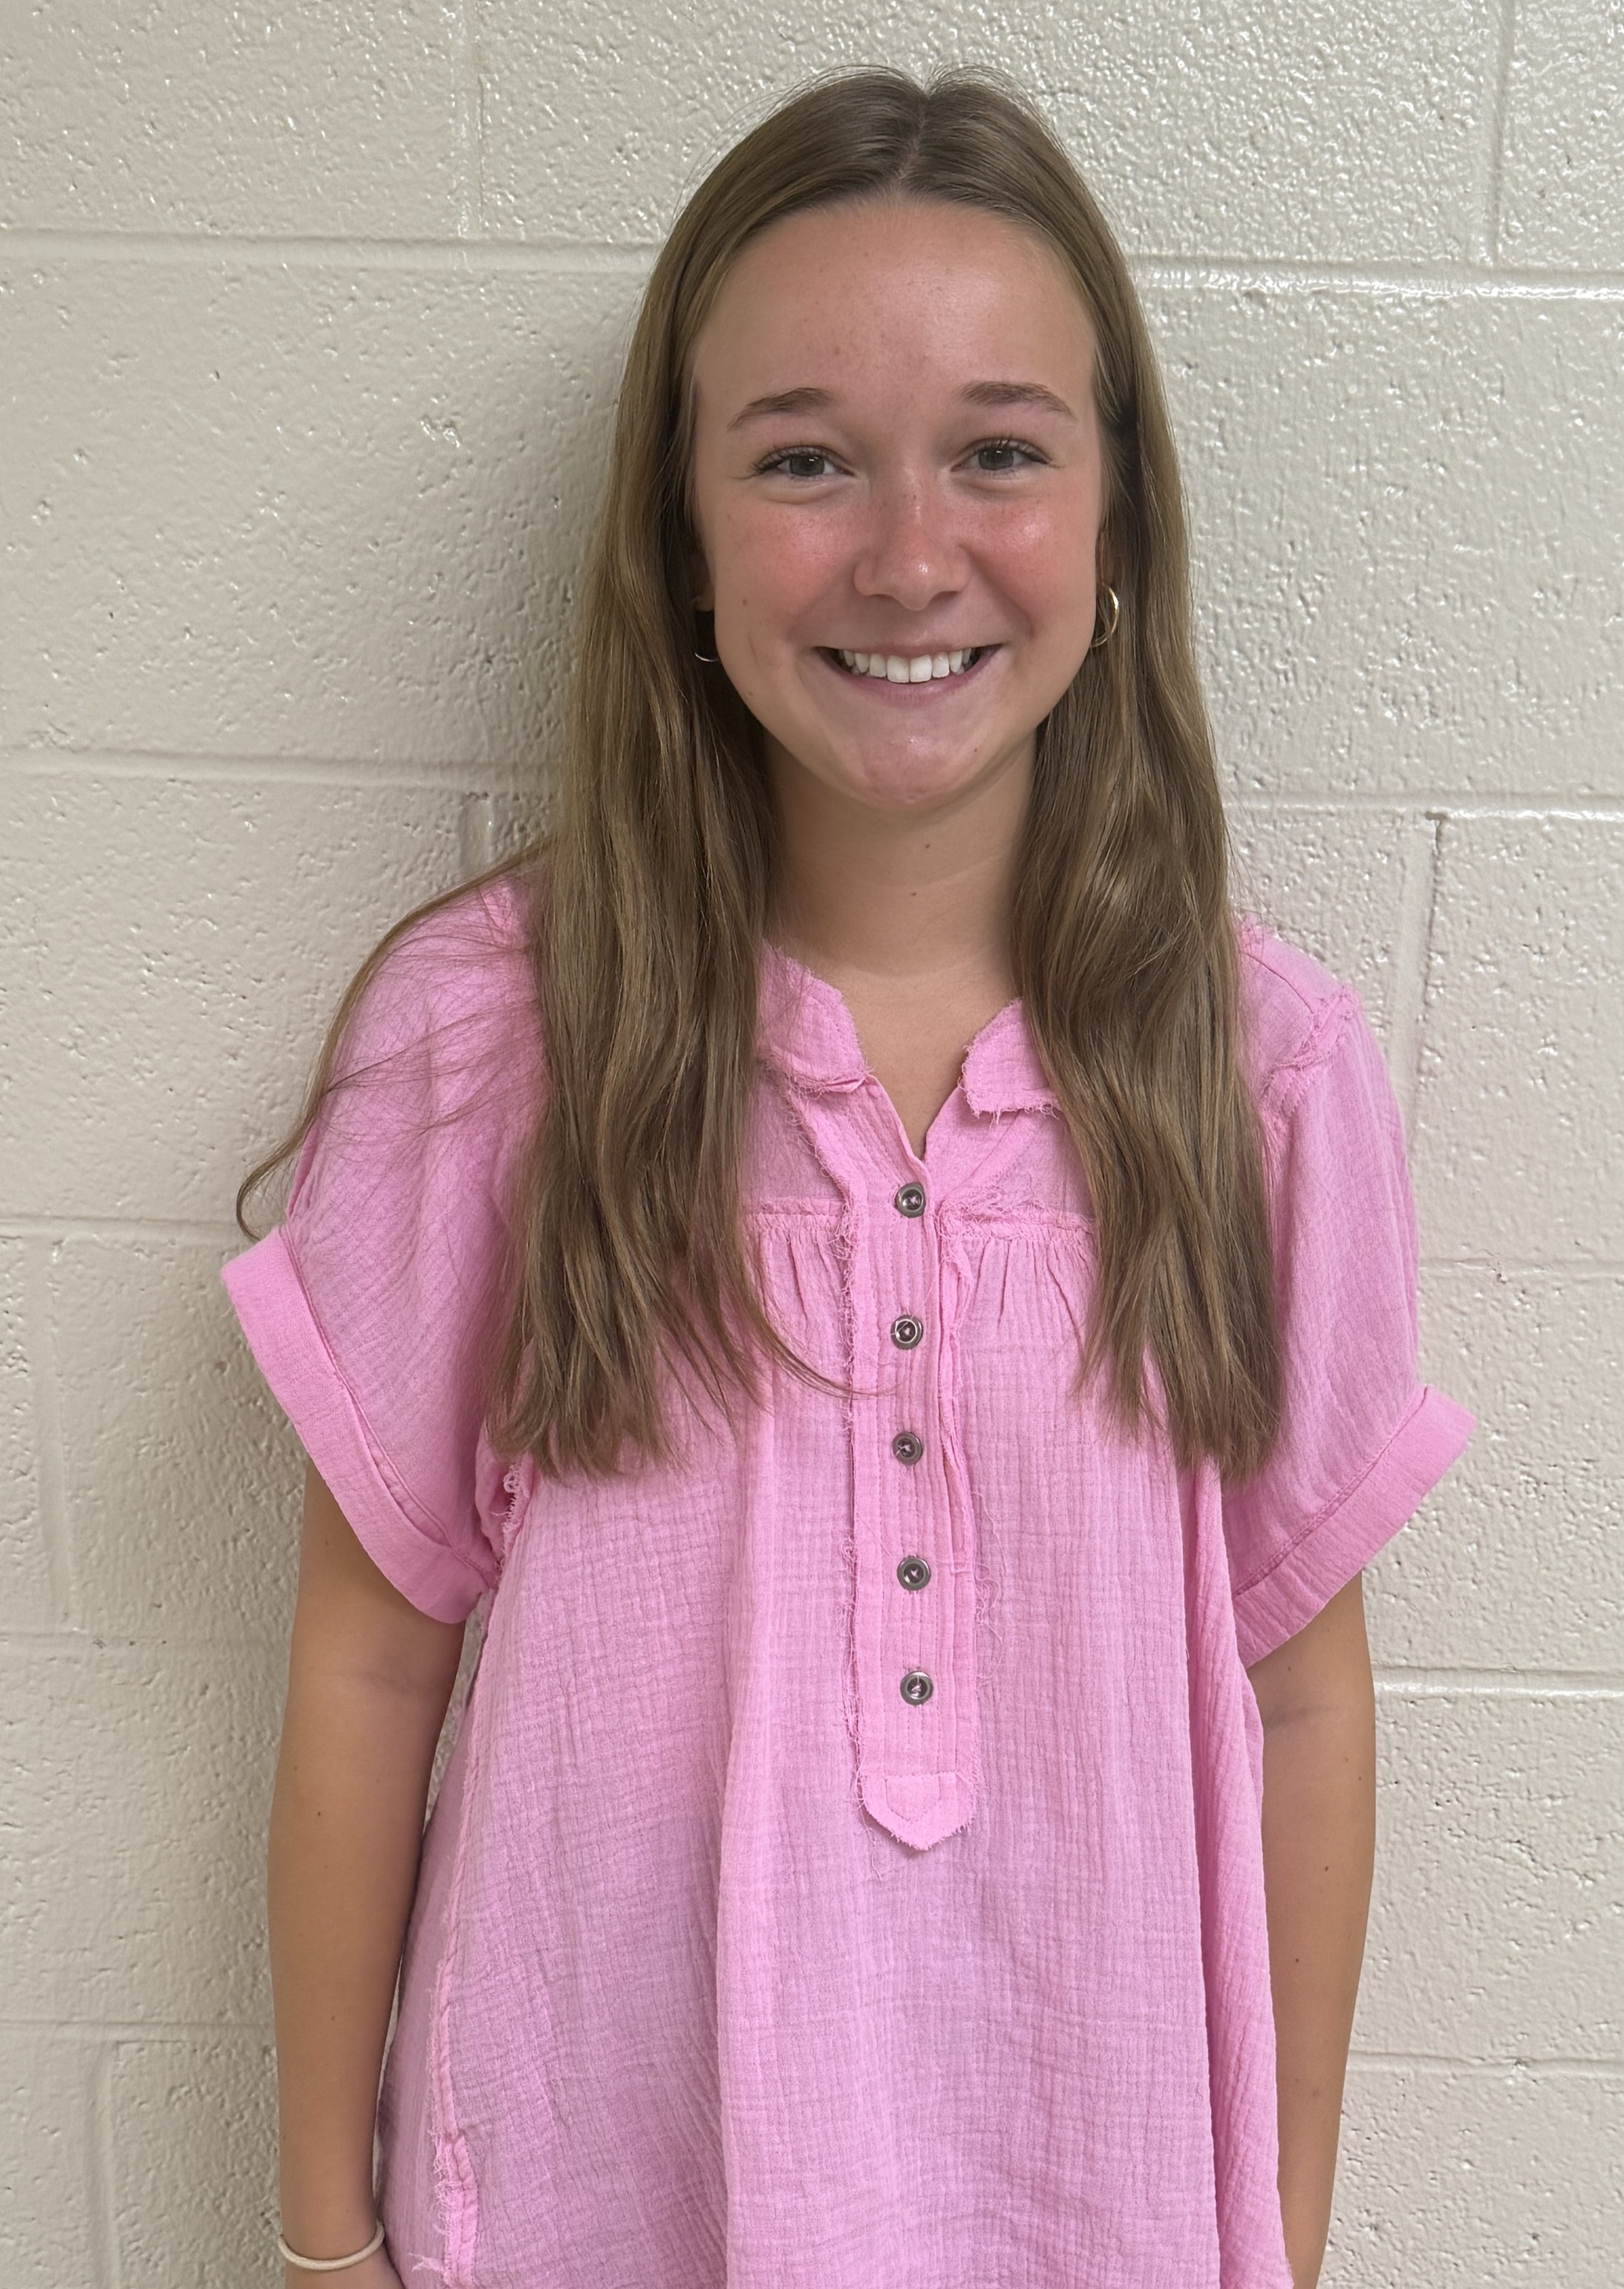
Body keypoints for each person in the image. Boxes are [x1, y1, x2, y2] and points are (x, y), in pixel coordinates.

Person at [226, 66, 1473, 2289]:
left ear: (1119, 518)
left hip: (1085, 2210)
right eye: (804, 460)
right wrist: (325, 2246)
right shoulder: (492, 1040)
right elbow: (366, 1669)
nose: (910, 555)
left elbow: (1301, 1700)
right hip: (593, 2206)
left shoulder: (1261, 1077)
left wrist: (1276, 2242)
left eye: (1001, 452)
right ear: (683, 535)